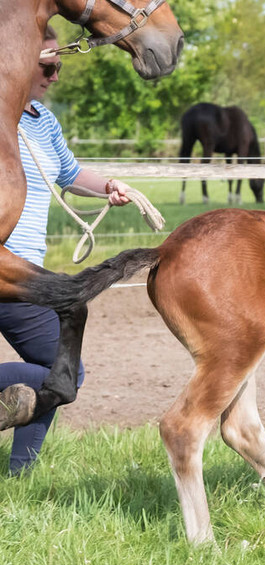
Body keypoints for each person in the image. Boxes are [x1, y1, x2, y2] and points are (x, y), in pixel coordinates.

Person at [0, 25, 134, 475]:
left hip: (23, 276)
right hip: (8, 271)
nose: (56, 75)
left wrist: (109, 187)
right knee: (64, 373)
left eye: (59, 66)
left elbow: (70, 173)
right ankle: (19, 471)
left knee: (66, 372)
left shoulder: (43, 120)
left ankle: (18, 474)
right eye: (48, 65)